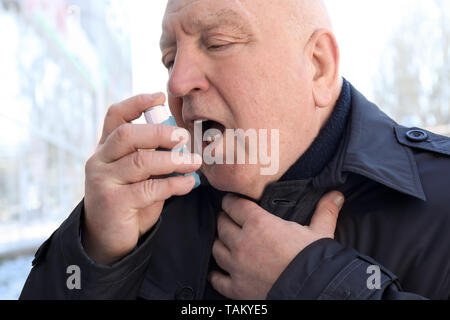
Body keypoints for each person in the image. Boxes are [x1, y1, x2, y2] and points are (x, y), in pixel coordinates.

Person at [20, 0, 449, 300]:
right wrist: (95, 252)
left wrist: (314, 285)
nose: (176, 82)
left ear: (318, 66)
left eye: (218, 43)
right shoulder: (146, 213)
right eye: (170, 59)